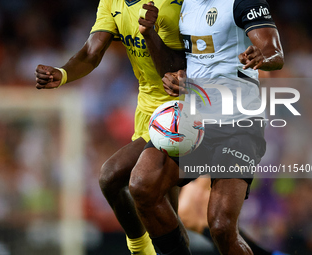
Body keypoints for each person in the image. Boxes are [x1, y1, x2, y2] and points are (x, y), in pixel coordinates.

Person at [128, 0, 284, 254]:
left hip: (238, 125)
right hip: (196, 122)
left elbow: (275, 52)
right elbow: (179, 64)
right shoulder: (184, 5)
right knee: (142, 185)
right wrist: (152, 36)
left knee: (221, 227)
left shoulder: (243, 2)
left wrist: (262, 55)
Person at [34, 0, 186, 254]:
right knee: (164, 212)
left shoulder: (171, 4)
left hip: (180, 111)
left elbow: (182, 65)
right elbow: (92, 52)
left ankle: (140, 251)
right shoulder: (111, 2)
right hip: (147, 112)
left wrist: (150, 34)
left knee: (111, 176)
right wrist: (62, 73)